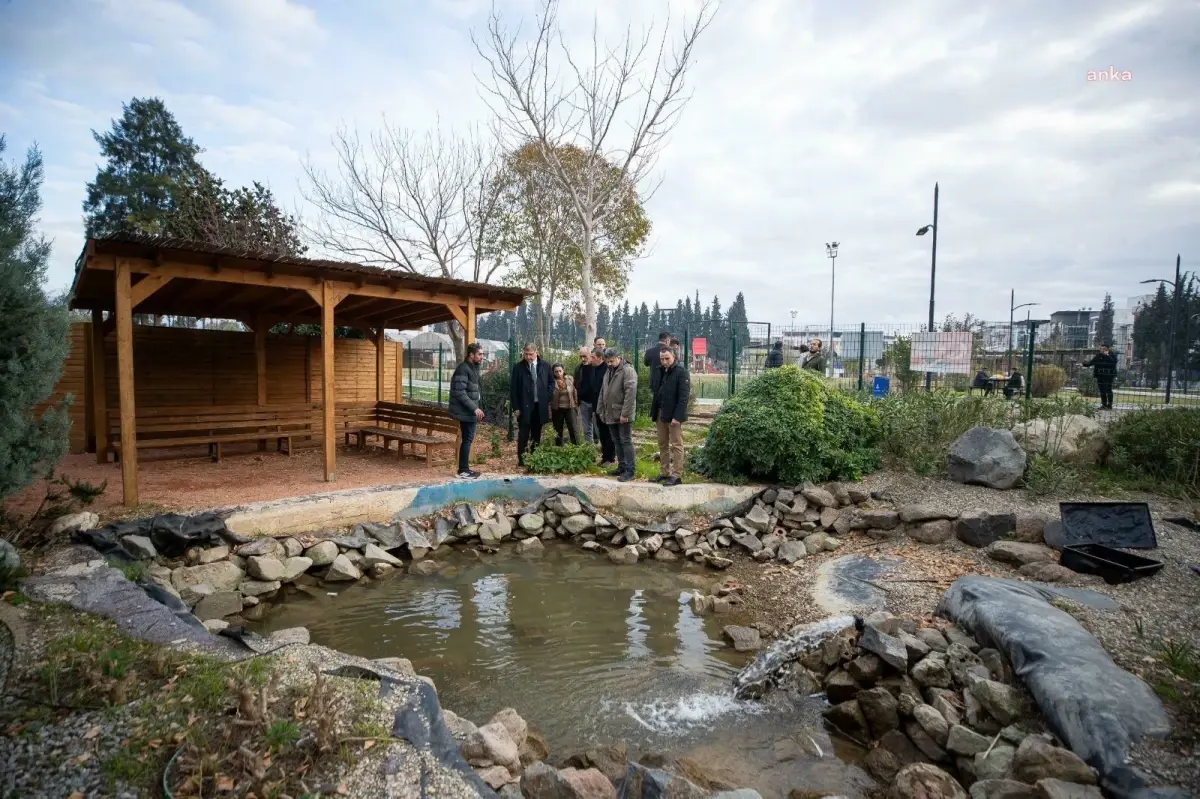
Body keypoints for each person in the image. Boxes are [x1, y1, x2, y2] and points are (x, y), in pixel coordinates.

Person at [650, 346, 690, 486]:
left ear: (674, 357)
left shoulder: (681, 372)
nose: (664, 361)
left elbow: (684, 397)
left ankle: (677, 474)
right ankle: (664, 472)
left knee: (676, 444)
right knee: (662, 444)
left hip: (674, 415)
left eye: (667, 358)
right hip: (660, 412)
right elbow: (656, 391)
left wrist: (677, 417)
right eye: (662, 359)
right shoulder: (659, 371)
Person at [597, 347, 638, 482]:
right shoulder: (609, 371)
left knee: (625, 441)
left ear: (619, 358)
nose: (609, 364)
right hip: (610, 413)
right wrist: (600, 409)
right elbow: (603, 391)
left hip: (622, 414)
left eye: (612, 361)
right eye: (607, 361)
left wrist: (625, 413)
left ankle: (630, 470)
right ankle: (621, 466)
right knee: (616, 441)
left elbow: (630, 394)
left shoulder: (628, 371)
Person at [510, 343, 554, 467]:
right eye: (526, 354)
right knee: (523, 434)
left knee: (536, 434)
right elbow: (513, 390)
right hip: (524, 407)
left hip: (539, 406)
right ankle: (522, 460)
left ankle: (535, 458)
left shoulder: (545, 366)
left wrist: (547, 396)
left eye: (531, 354)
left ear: (536, 352)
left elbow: (551, 383)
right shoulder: (518, 368)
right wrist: (516, 408)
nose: (528, 357)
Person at [448, 342, 485, 479]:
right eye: (479, 354)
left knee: (468, 439)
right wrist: (474, 408)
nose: (482, 357)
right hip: (466, 411)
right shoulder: (463, 369)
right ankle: (463, 470)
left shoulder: (472, 368)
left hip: (468, 411)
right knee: (467, 439)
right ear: (471, 355)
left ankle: (465, 469)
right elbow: (459, 392)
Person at [574, 347, 606, 445]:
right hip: (584, 401)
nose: (583, 358)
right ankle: (589, 450)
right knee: (587, 428)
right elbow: (577, 384)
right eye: (581, 356)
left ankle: (604, 448)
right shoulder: (579, 368)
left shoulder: (596, 367)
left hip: (596, 401)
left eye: (585, 356)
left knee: (598, 427)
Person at [549, 362, 580, 445]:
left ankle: (577, 448)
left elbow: (574, 393)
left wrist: (576, 407)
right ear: (553, 372)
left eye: (560, 371)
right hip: (557, 409)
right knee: (558, 431)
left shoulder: (569, 379)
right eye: (556, 371)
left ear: (563, 370)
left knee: (573, 429)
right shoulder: (551, 382)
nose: (558, 373)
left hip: (570, 407)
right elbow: (549, 398)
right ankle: (559, 450)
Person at [1082, 343, 1118, 409]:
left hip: (1109, 375)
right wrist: (1083, 364)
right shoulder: (1098, 355)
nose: (1102, 350)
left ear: (1107, 349)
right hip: (1100, 375)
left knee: (1108, 390)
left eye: (1104, 349)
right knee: (1102, 390)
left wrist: (1106, 356)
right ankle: (1104, 404)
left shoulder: (1112, 354)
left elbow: (1114, 362)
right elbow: (1091, 363)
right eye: (1101, 349)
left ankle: (1109, 405)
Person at [644, 330, 670, 395]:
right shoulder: (671, 351)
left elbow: (646, 363)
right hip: (669, 383)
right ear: (667, 340)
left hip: (654, 384)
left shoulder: (649, 351)